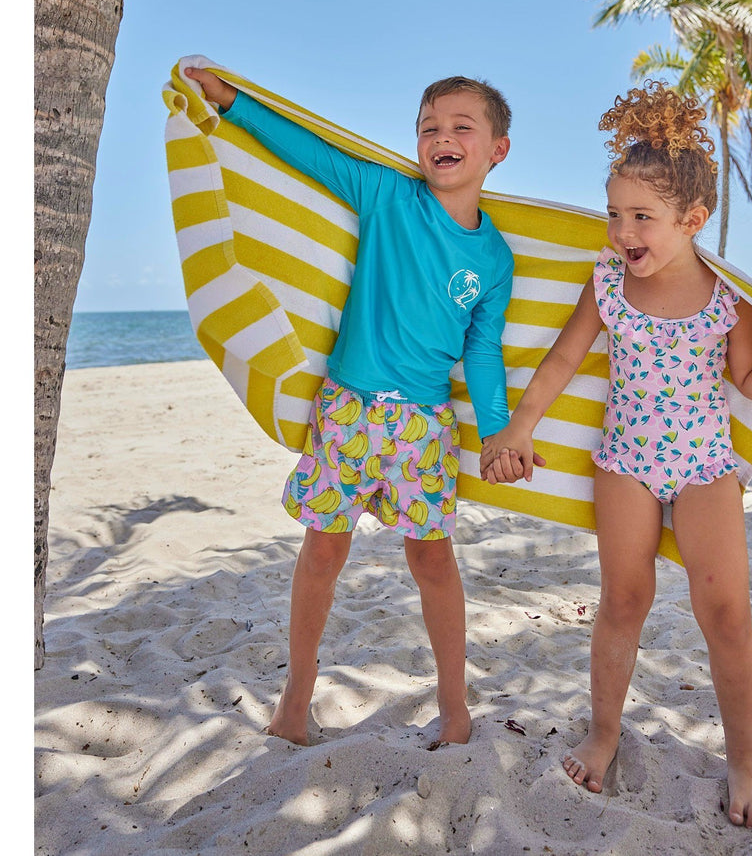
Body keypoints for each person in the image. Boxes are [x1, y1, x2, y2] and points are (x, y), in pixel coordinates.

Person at [478, 81, 752, 828]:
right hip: (625, 461)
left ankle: (744, 761)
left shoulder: (727, 299)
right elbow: (562, 361)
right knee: (623, 601)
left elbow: (748, 379)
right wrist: (520, 427)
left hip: (705, 469)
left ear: (693, 220)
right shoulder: (607, 283)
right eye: (614, 213)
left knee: (726, 614)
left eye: (641, 217)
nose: (623, 231)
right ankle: (603, 734)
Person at [183, 65, 514, 749]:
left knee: (433, 563)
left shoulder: (494, 258)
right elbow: (313, 156)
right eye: (429, 127)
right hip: (347, 413)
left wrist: (497, 430)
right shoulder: (388, 195)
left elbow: (482, 352)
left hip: (424, 429)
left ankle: (454, 708)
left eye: (462, 127)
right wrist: (234, 103)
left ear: (496, 149)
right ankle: (295, 699)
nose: (443, 138)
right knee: (323, 552)